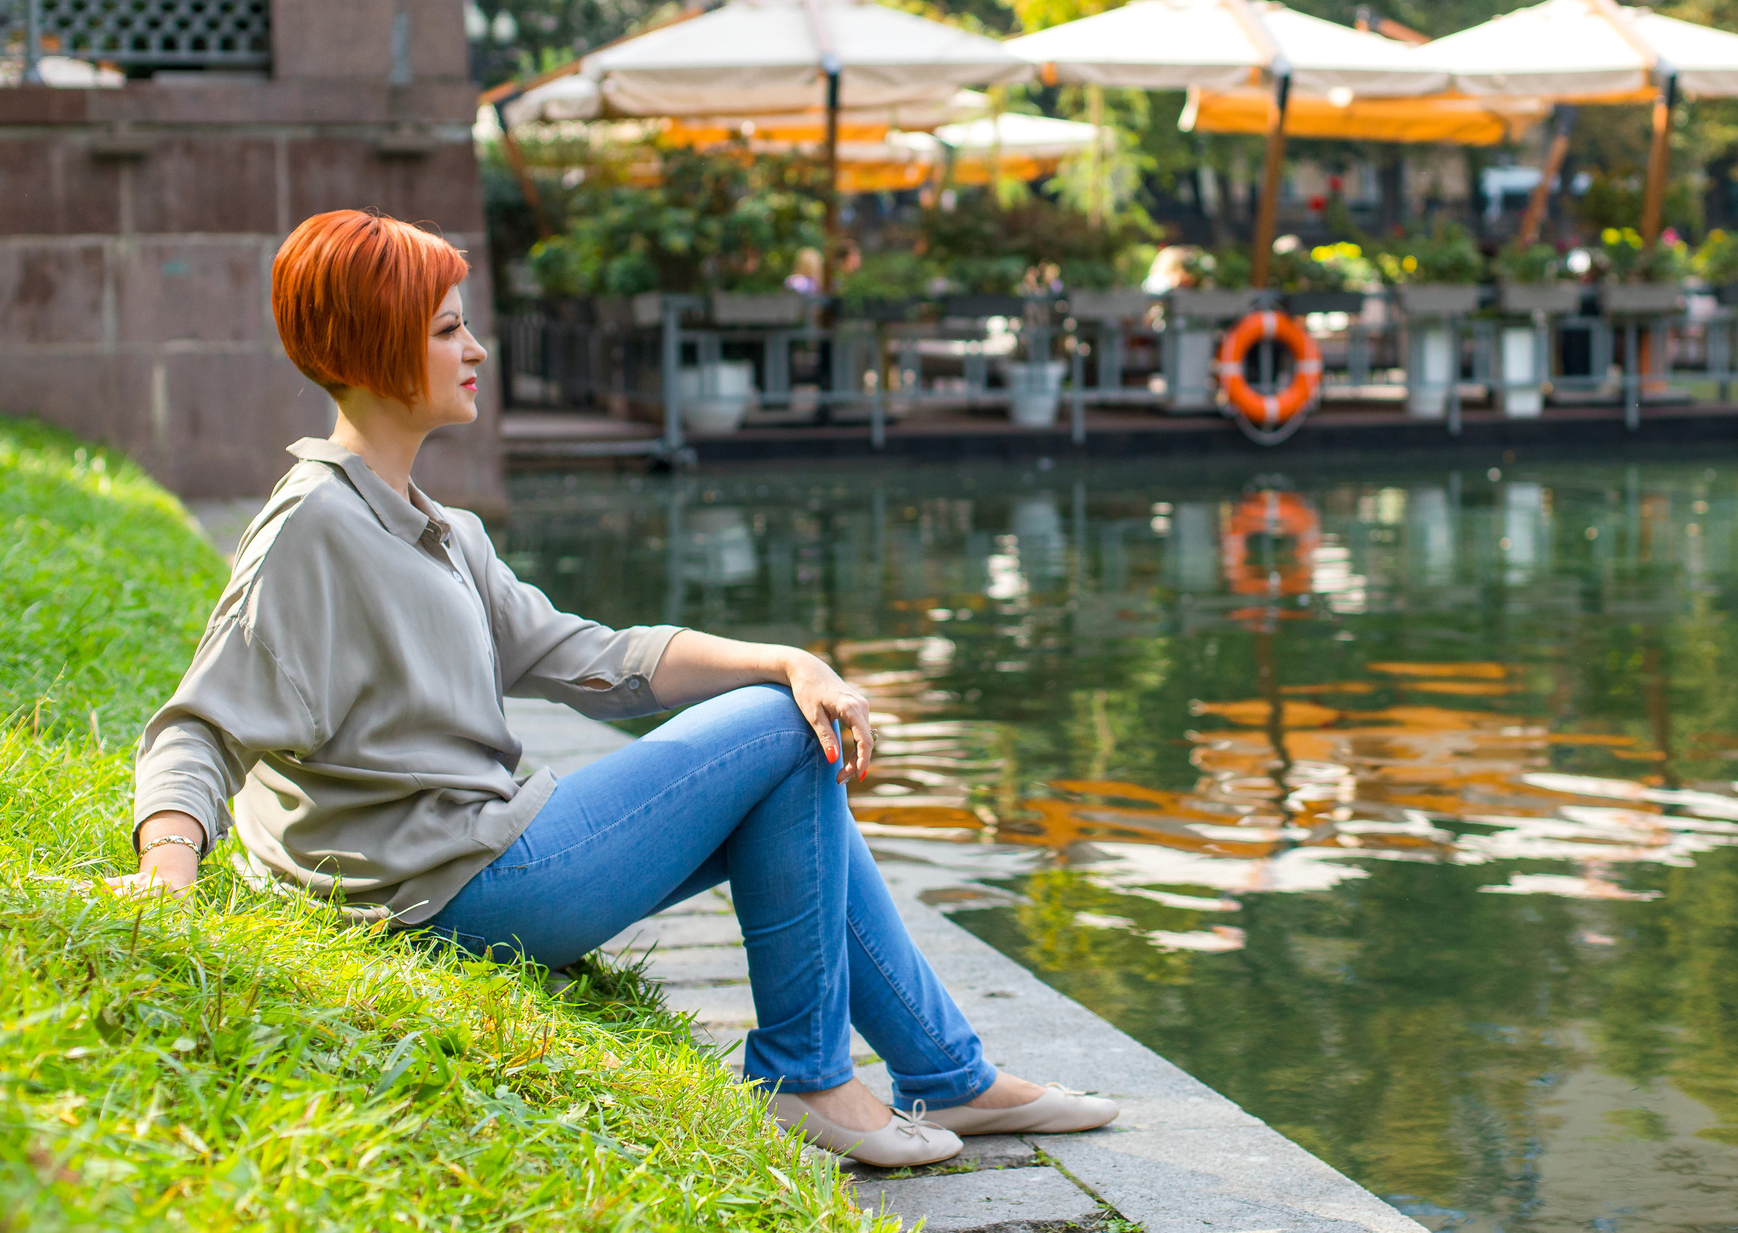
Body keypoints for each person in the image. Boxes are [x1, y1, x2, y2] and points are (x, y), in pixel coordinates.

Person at [114, 210, 1114, 1167]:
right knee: (779, 729)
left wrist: (783, 658)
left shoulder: (442, 529)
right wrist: (169, 870)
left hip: (483, 854)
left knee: (786, 741)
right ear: (375, 346)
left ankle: (945, 1072)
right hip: (440, 891)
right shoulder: (313, 526)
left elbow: (593, 658)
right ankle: (808, 1081)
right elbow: (199, 724)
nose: (477, 352)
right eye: (449, 330)